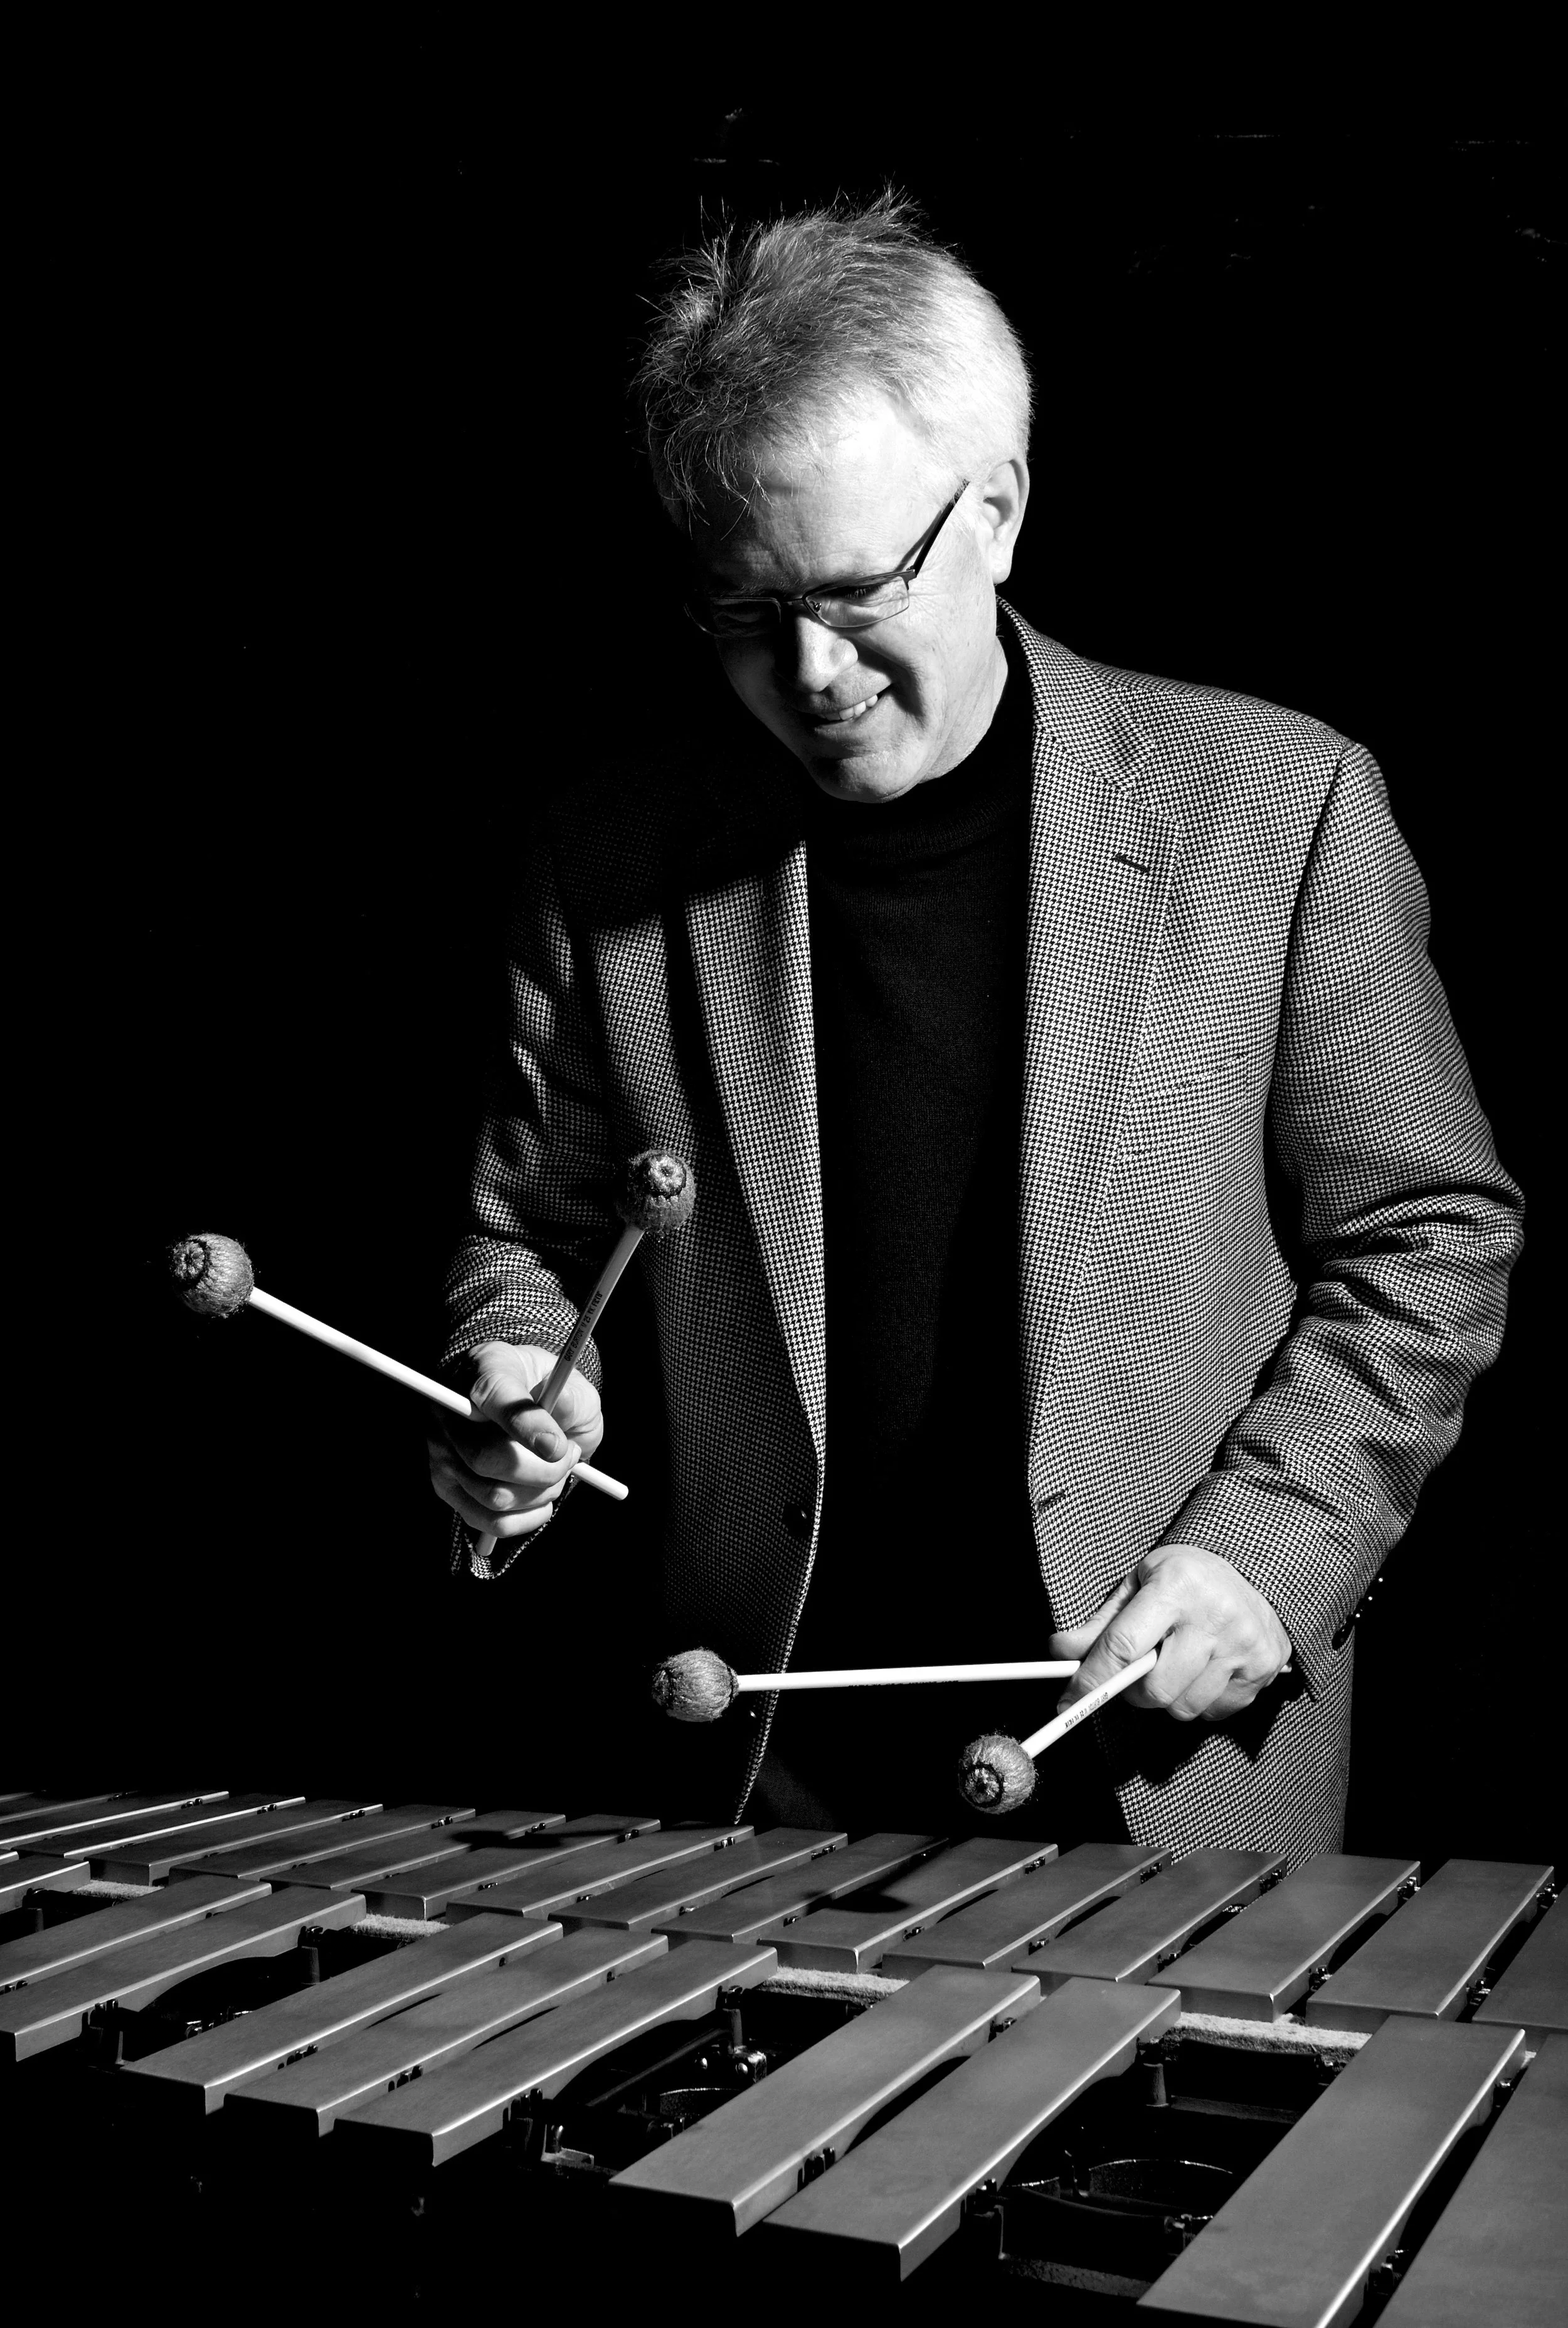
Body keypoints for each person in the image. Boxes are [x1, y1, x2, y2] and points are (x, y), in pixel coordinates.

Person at [427, 194, 1523, 1861]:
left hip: (1160, 1764)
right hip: (752, 1761)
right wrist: (510, 1369)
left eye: (858, 589)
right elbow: (528, 1231)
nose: (809, 671)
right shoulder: (607, 859)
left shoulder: (1275, 808)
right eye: (741, 609)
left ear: (994, 510)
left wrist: (1267, 1546)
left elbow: (1427, 1233)